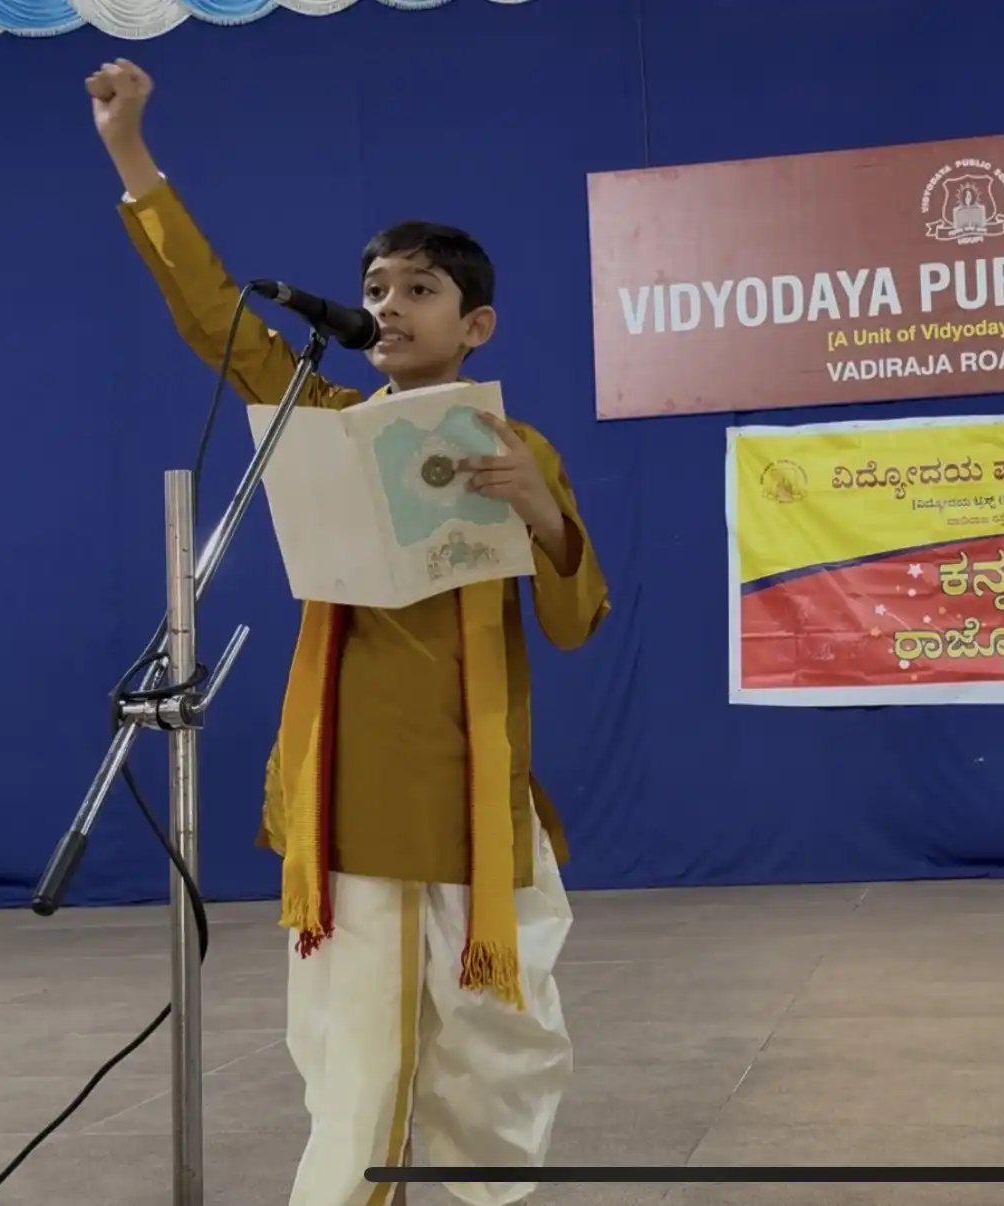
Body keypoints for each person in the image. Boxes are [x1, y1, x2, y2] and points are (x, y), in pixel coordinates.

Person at [84, 59, 610, 1206]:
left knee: (495, 1063)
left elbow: (574, 617)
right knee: (353, 1064)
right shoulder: (317, 423)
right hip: (351, 800)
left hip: (474, 801)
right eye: (374, 286)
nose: (384, 305)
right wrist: (132, 153)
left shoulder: (515, 450)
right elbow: (212, 313)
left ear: (475, 324)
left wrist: (538, 509)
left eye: (416, 289)